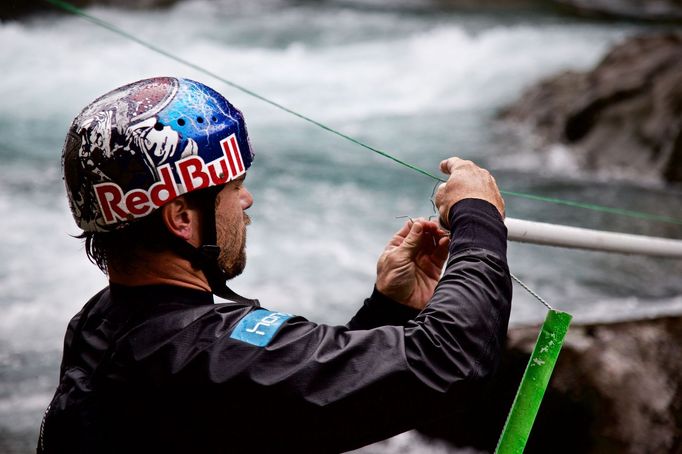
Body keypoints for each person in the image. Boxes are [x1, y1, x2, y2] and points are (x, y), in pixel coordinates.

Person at [38, 77, 511, 453]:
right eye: (232, 186)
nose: (246, 200)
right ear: (181, 216)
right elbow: (450, 361)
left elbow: (288, 406)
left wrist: (388, 311)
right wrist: (478, 217)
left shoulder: (100, 323)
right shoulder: (205, 355)